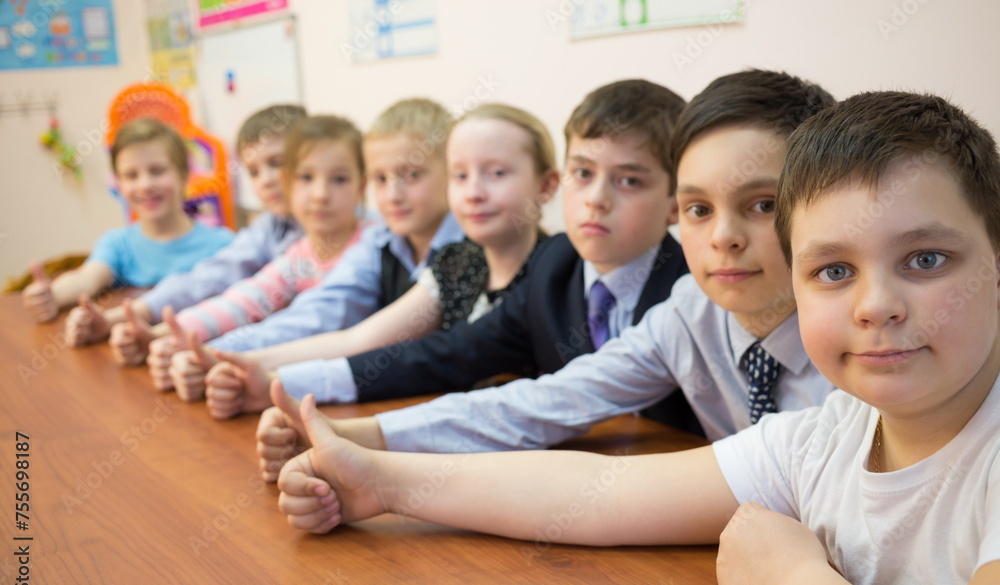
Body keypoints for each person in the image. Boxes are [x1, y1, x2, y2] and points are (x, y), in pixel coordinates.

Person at [277, 90, 1000, 585]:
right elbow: (599, 492)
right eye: (834, 270)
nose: (876, 306)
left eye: (927, 259)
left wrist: (787, 581)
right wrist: (384, 479)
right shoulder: (826, 436)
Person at [256, 69, 837, 478]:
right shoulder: (678, 307)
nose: (723, 236)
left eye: (762, 204)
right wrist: (360, 437)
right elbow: (532, 400)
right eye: (701, 209)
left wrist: (384, 478)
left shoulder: (855, 340)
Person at [201, 80, 699, 433]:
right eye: (584, 173)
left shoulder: (693, 290)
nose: (596, 199)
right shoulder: (556, 267)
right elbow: (446, 355)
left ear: (676, 201)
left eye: (629, 180)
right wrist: (277, 382)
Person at [198, 103, 559, 418]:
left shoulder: (553, 266)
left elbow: (439, 357)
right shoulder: (454, 262)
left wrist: (276, 379)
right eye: (461, 175)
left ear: (546, 185)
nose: (474, 192)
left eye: (496, 173)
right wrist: (240, 364)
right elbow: (358, 338)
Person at [136, 115, 367, 393]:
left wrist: (214, 355)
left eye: (339, 179)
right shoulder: (300, 252)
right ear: (290, 184)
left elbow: (311, 320)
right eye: (306, 177)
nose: (320, 194)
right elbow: (249, 298)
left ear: (361, 187)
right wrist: (180, 335)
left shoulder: (372, 245)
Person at [63, 104, 307, 354]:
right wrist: (125, 319)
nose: (265, 180)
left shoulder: (327, 237)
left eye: (277, 163)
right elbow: (209, 281)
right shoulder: (269, 227)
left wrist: (200, 349)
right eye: (253, 172)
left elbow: (305, 317)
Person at [21, 118, 233, 323]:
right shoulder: (118, 244)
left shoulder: (224, 245)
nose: (145, 185)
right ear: (119, 184)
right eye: (131, 175)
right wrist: (53, 295)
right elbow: (87, 278)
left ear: (183, 175)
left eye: (157, 171)